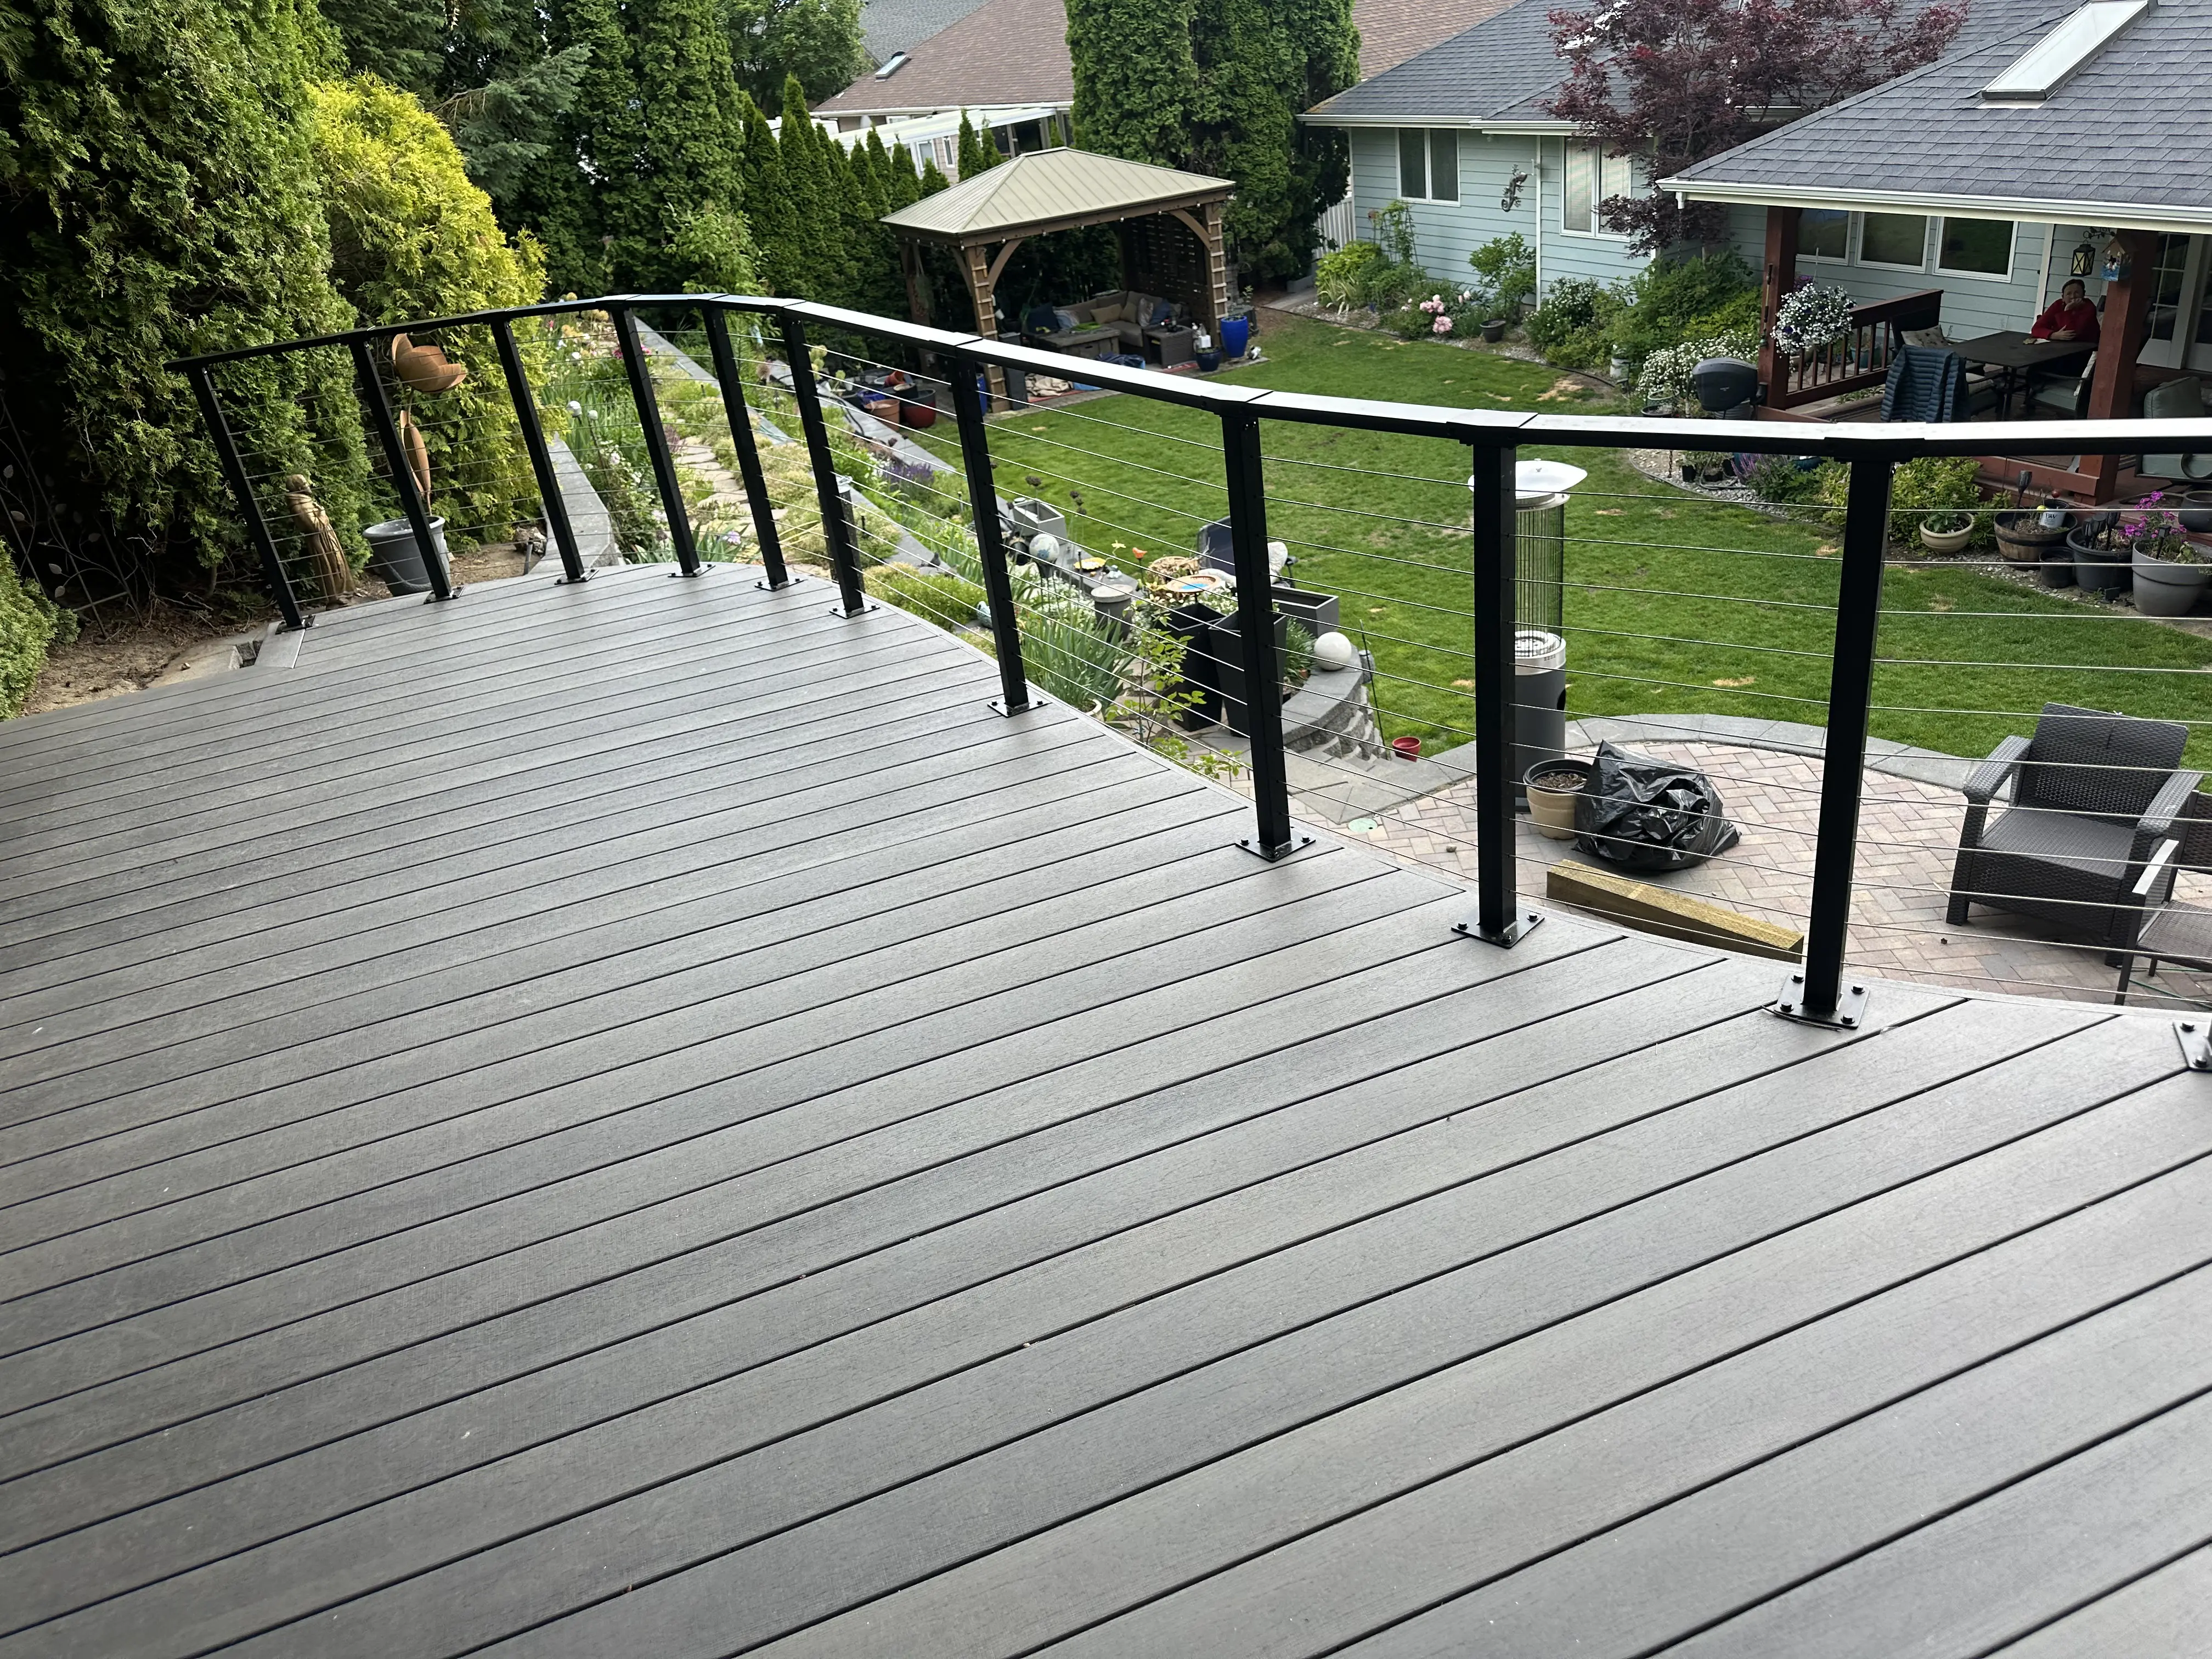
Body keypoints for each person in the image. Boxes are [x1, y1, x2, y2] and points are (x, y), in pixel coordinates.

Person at [2030, 279, 2101, 343]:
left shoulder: (2088, 307)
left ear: (2083, 295)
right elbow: (2036, 329)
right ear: (2063, 297)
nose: (2073, 297)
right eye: (2068, 294)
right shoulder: (2058, 305)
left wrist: (2068, 310)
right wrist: (2053, 335)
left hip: (2083, 347)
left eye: (2077, 293)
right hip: (2058, 345)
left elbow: (2071, 334)